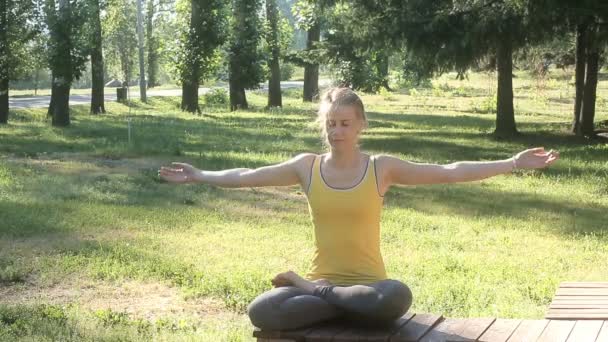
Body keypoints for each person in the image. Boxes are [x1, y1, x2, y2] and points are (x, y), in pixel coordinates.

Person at [158, 87, 560, 331]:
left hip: (370, 287)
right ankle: (330, 299)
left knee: (396, 297)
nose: (336, 131)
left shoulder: (379, 169)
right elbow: (248, 174)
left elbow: (449, 172)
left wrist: (511, 163)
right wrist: (199, 175)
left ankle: (320, 295)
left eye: (345, 123)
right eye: (331, 124)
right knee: (261, 310)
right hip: (327, 285)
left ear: (362, 125)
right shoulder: (307, 167)